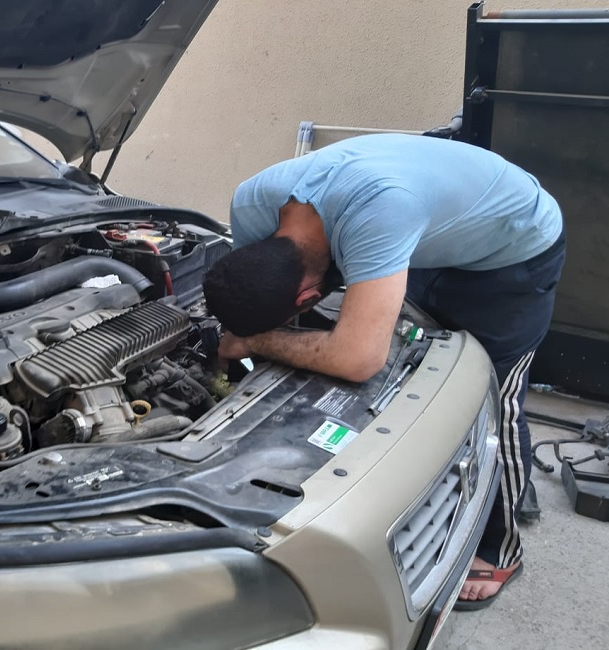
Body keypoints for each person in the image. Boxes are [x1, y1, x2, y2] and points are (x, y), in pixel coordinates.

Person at [203, 133, 565, 610]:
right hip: (430, 230)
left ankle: (501, 548)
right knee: (419, 360)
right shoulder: (252, 206)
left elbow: (359, 359)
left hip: (512, 245)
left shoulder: (380, 217)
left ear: (309, 297)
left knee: (495, 396)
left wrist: (254, 343)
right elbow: (258, 290)